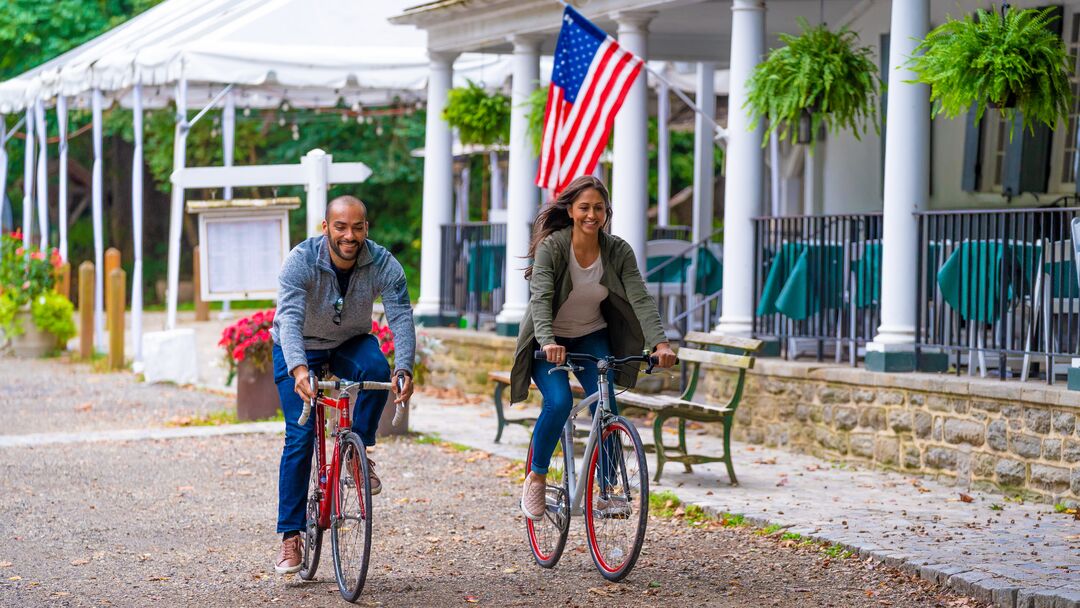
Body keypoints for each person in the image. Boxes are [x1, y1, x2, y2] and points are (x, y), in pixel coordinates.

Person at [511, 175, 677, 520]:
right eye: (584, 207)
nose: (591, 214)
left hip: (591, 334)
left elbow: (640, 297)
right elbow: (540, 300)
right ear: (570, 210)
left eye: (598, 208)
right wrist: (548, 341)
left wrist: (660, 342)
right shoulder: (553, 247)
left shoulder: (616, 250)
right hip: (549, 340)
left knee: (607, 405)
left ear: (606, 212)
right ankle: (537, 477)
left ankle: (607, 490)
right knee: (557, 403)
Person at [270, 195, 415, 574]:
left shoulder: (382, 262)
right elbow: (287, 316)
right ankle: (290, 537)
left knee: (375, 371)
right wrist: (299, 369)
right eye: (340, 227)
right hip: (299, 344)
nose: (349, 235)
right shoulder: (301, 260)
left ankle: (355, 450)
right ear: (326, 228)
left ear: (366, 228)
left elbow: (400, 315)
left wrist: (405, 368)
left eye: (357, 227)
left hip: (350, 341)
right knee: (299, 435)